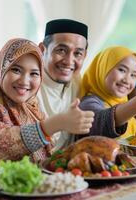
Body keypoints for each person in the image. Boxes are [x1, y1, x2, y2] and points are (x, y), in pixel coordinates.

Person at [0, 38, 94, 173]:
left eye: (34, 73)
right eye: (16, 70)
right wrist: (54, 124)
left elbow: (42, 161)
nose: (24, 81)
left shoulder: (31, 109)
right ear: (0, 70)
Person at [79, 46, 136, 139]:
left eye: (133, 75)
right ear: (103, 68)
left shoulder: (124, 103)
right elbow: (101, 123)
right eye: (122, 70)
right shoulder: (88, 103)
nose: (127, 80)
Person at [38, 19, 89, 150]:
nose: (69, 61)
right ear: (42, 50)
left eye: (78, 53)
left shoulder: (79, 83)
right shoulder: (27, 86)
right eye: (61, 50)